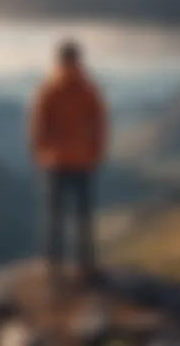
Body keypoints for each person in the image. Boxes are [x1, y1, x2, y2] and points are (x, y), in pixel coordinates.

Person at [29, 39, 107, 290]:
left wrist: (41, 155)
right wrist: (95, 152)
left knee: (55, 217)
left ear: (58, 60)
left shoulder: (49, 88)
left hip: (56, 163)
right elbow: (100, 124)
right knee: (83, 216)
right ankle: (86, 266)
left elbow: (38, 126)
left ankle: (54, 268)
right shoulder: (88, 88)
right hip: (82, 161)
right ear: (78, 60)